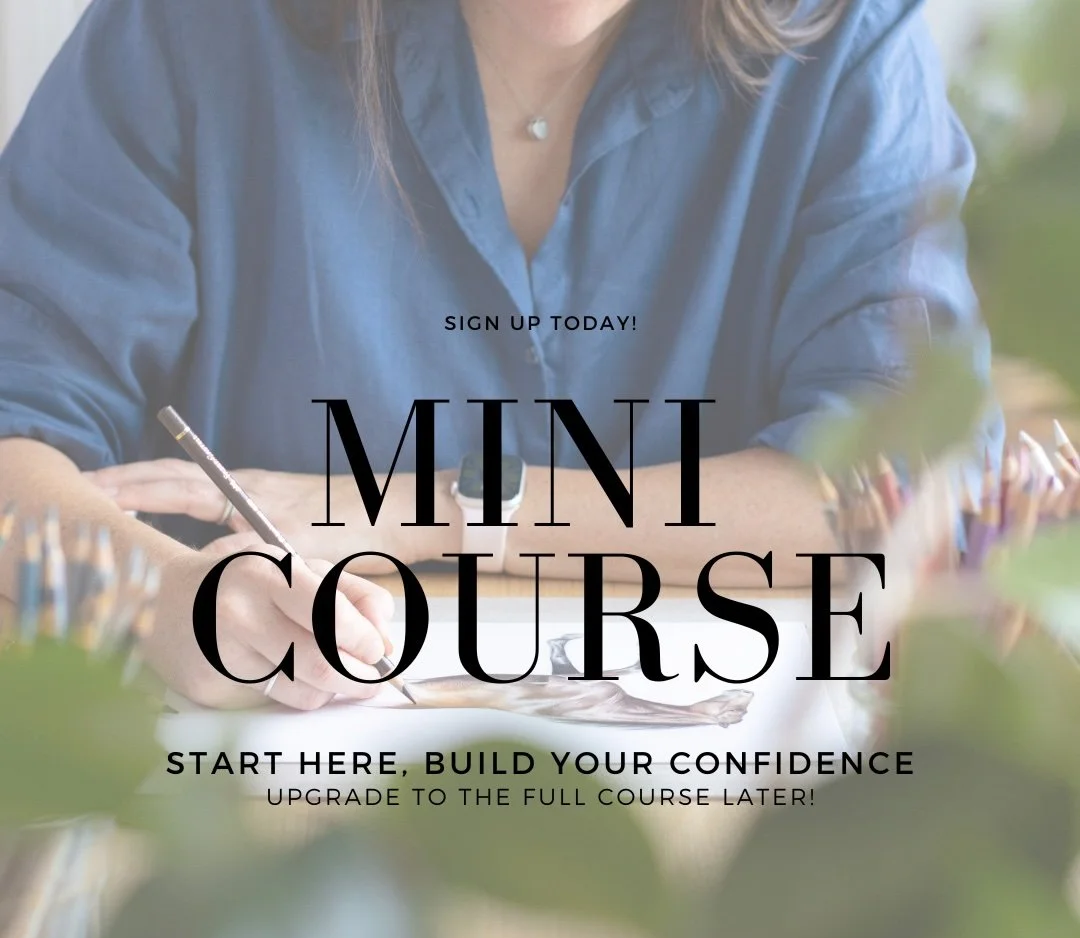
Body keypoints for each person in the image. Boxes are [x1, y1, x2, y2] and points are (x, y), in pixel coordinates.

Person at [0, 0, 997, 708]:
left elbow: (894, 488)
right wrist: (156, 597)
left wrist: (430, 513)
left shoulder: (849, 37)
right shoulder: (192, 29)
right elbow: (16, 434)